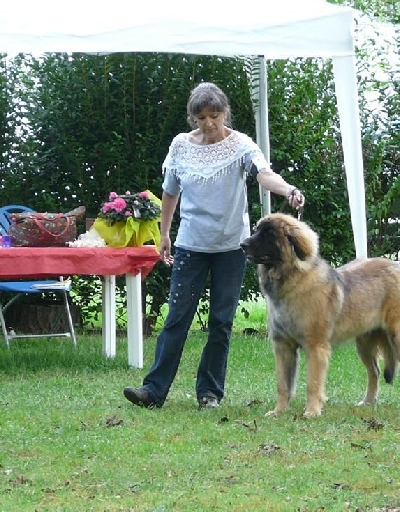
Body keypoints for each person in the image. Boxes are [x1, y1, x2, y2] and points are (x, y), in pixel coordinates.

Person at [123, 82, 305, 409]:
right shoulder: (181, 146)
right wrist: (164, 234)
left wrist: (287, 189)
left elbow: (264, 175)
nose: (208, 123)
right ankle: (152, 391)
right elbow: (170, 192)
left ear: (225, 113)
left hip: (232, 248)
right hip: (191, 244)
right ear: (193, 118)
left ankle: (209, 394)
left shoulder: (240, 145)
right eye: (201, 117)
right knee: (177, 316)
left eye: (215, 115)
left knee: (221, 322)